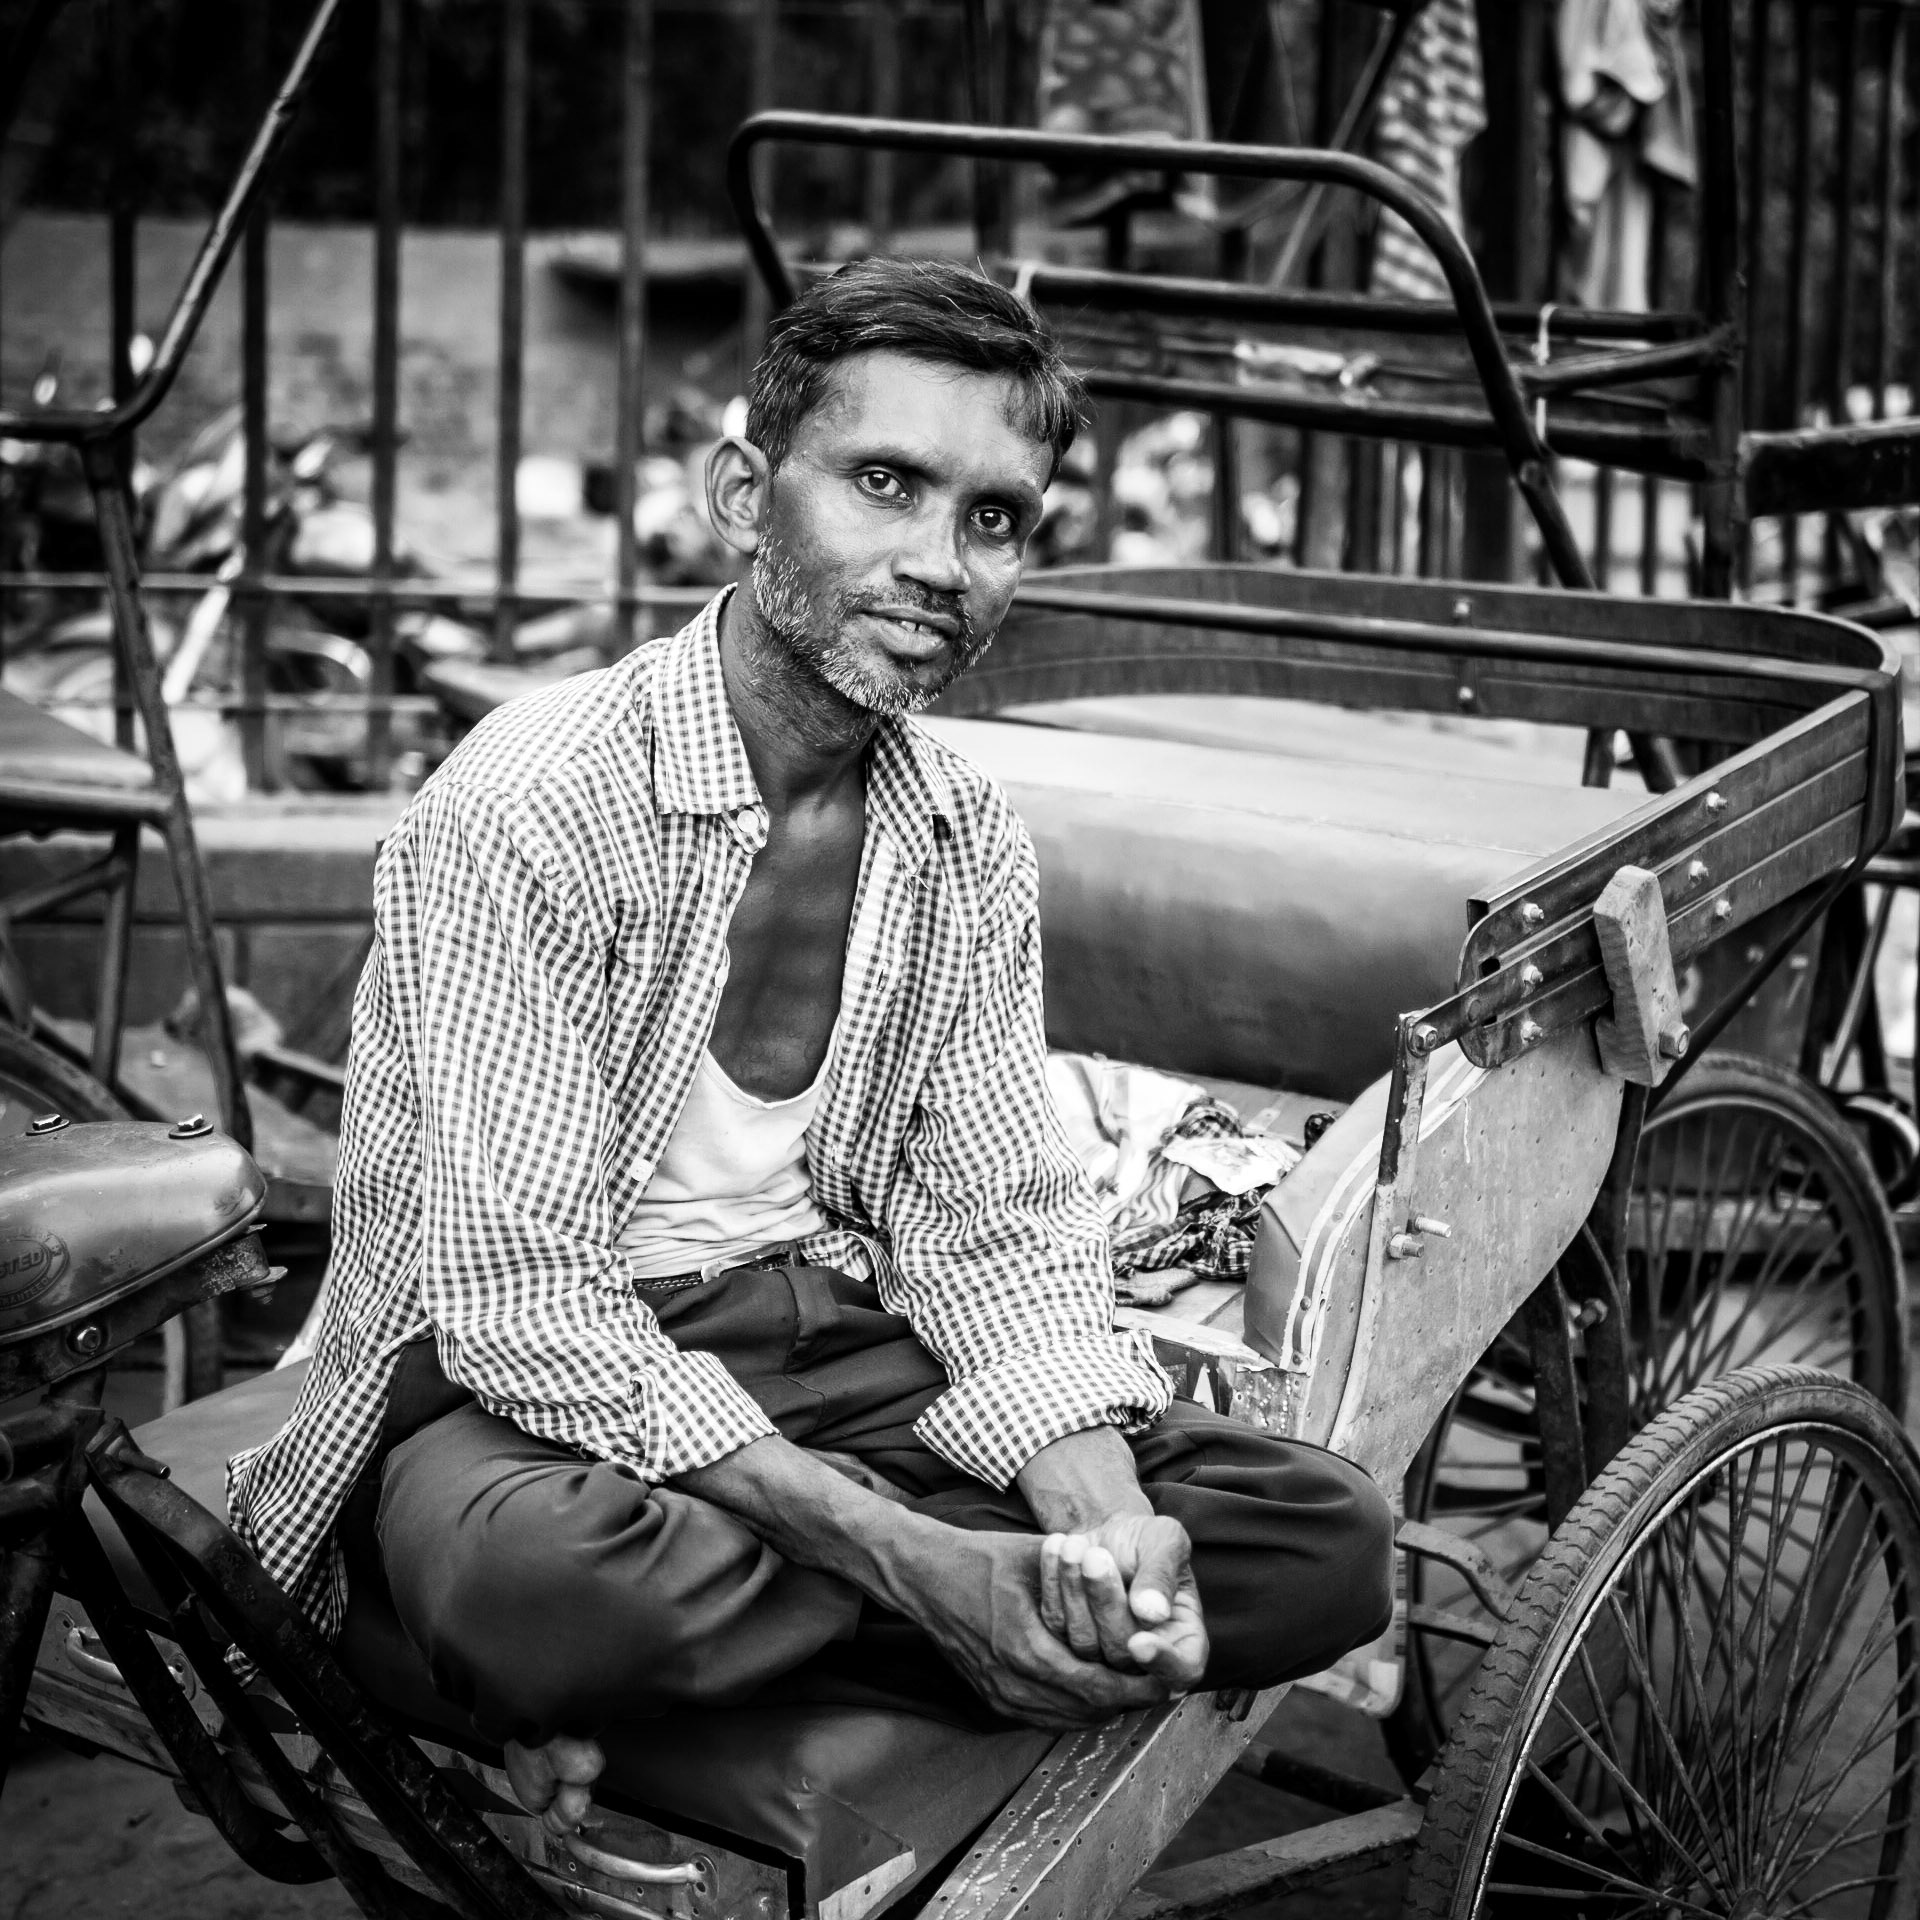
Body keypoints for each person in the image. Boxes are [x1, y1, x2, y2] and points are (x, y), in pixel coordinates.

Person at [228, 258, 1393, 1831]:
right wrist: (927, 1565)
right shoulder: (530, 804)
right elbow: (519, 1307)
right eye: (886, 485)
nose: (939, 565)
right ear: (742, 492)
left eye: (993, 519)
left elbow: (993, 1228)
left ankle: (604, 1685)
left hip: (824, 1347)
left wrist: (1103, 1526)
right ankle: (833, 1627)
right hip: (520, 1390)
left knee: (1321, 1540)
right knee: (551, 1583)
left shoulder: (963, 834)